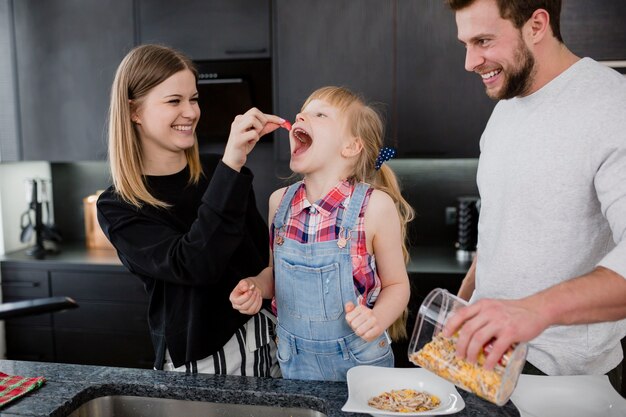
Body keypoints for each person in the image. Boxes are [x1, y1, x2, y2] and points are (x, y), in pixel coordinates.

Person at [440, 0, 626, 391]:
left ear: (537, 24)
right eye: (466, 44)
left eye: (484, 40)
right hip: (482, 361)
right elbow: (503, 231)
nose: (470, 61)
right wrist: (462, 309)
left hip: (563, 378)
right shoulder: (506, 106)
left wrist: (532, 311)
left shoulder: (612, 106)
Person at [97, 44, 286, 376]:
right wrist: (233, 164)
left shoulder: (219, 171)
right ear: (134, 111)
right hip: (205, 360)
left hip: (268, 339)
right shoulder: (118, 206)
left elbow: (262, 258)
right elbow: (195, 264)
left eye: (193, 99)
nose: (190, 112)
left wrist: (258, 285)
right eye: (174, 101)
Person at [229, 86, 414, 381]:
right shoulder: (279, 202)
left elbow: (397, 285)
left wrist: (376, 319)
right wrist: (255, 287)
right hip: (294, 361)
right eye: (303, 111)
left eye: (320, 114)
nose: (301, 115)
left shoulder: (375, 206)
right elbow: (276, 276)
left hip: (361, 364)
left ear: (351, 147)